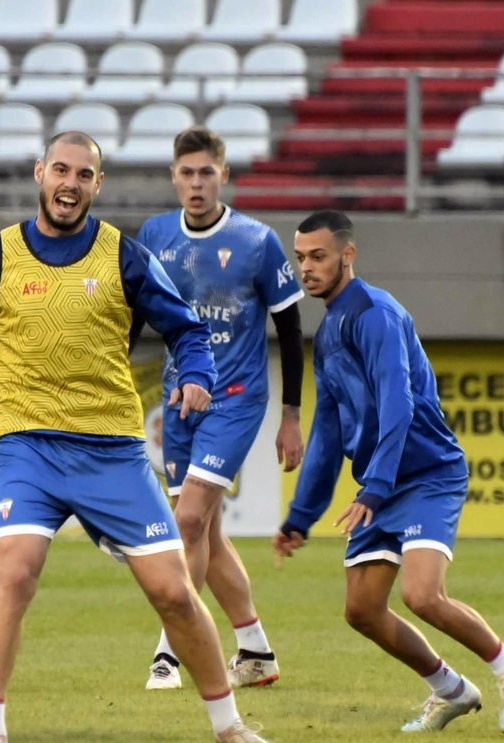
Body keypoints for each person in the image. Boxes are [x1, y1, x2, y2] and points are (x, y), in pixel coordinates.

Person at [0, 131, 293, 743]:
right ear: (38, 174)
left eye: (84, 174)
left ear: (97, 186)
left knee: (173, 591)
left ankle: (229, 727)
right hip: (28, 445)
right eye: (60, 170)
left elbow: (187, 327)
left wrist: (198, 376)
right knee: (15, 572)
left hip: (112, 450)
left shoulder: (125, 257)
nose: (70, 184)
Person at [274, 211, 504, 733]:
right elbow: (328, 432)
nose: (306, 267)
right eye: (301, 257)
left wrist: (374, 487)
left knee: (421, 595)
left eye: (318, 256)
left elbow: (399, 402)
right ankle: (451, 689)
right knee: (362, 610)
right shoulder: (328, 333)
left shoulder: (375, 313)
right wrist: (300, 516)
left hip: (426, 474)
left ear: (348, 256)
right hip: (382, 482)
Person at [136, 126, 308, 692]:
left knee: (185, 519)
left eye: (206, 172)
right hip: (179, 401)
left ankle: (169, 652)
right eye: (186, 173)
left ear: (223, 176)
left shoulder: (257, 242)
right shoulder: (155, 236)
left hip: (236, 401)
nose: (196, 183)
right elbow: (135, 316)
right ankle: (256, 651)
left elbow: (289, 325)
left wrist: (290, 415)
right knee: (205, 533)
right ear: (173, 177)